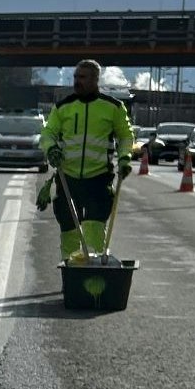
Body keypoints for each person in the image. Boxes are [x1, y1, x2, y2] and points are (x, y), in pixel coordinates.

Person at [35, 59, 138, 262]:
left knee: (93, 229)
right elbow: (47, 134)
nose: (76, 81)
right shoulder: (63, 107)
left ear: (94, 80)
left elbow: (126, 136)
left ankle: (94, 273)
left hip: (98, 180)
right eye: (75, 77)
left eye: (82, 77)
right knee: (69, 231)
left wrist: (125, 158)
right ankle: (71, 273)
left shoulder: (113, 107)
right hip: (68, 179)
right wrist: (51, 149)